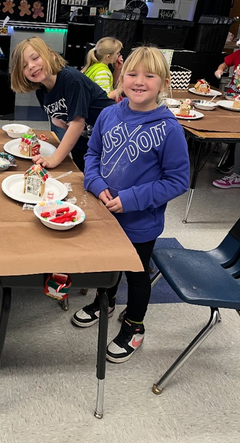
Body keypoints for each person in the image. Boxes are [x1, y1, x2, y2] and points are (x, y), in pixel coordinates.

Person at [71, 44, 190, 363]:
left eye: (149, 76)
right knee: (106, 264)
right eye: (132, 74)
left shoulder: (169, 129)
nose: (139, 81)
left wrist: (132, 200)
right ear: (121, 78)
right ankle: (104, 301)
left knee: (136, 275)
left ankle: (135, 326)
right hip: (104, 214)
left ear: (164, 84)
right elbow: (92, 154)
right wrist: (94, 183)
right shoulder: (109, 114)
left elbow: (177, 180)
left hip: (140, 223)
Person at [10, 36, 114, 172]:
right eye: (24, 66)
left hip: (112, 139)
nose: (31, 66)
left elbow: (77, 123)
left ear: (52, 56)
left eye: (35, 58)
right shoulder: (41, 92)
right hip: (85, 143)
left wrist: (54, 158)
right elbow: (63, 121)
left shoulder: (71, 79)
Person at [212, 45, 240, 179]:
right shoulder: (237, 54)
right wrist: (219, 70)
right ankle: (217, 143)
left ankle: (231, 162)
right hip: (231, 95)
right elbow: (224, 64)